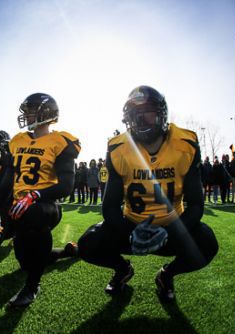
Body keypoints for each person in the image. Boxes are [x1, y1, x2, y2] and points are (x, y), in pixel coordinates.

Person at [77, 85, 218, 302]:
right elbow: (110, 207)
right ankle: (123, 269)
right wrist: (130, 232)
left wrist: (170, 232)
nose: (141, 118)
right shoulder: (118, 147)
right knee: (88, 244)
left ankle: (166, 275)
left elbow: (197, 205)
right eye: (136, 114)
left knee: (207, 242)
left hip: (173, 226)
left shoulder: (185, 143)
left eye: (148, 111)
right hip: (132, 227)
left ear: (162, 113)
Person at [0, 93, 80, 308]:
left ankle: (32, 286)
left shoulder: (61, 141)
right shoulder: (18, 140)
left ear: (46, 113)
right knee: (26, 262)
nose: (27, 116)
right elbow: (6, 179)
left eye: (31, 111)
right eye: (26, 112)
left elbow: (66, 186)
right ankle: (66, 252)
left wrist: (35, 195)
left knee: (33, 216)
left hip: (45, 206)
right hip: (18, 205)